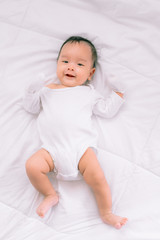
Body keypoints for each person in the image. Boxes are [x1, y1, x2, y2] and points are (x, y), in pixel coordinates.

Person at [23, 36, 128, 229]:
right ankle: (50, 194)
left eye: (79, 64)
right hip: (50, 151)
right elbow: (30, 108)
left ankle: (106, 212)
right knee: (31, 166)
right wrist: (31, 91)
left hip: (81, 150)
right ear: (57, 64)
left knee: (98, 178)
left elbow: (106, 110)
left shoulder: (89, 93)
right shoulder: (47, 90)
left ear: (91, 73)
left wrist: (118, 93)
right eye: (65, 61)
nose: (70, 67)